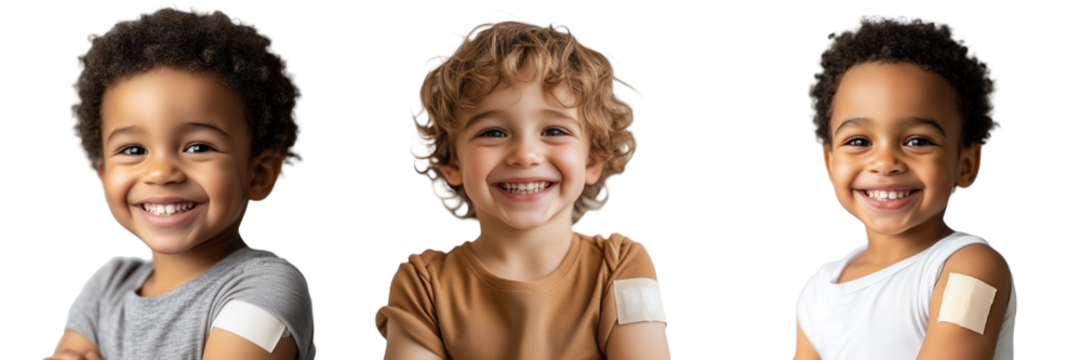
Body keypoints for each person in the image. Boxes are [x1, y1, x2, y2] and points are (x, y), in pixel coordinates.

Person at [373, 10, 671, 360]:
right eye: (493, 132)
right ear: (453, 162)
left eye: (554, 131)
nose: (525, 155)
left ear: (593, 159)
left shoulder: (621, 266)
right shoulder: (423, 284)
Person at [50, 3, 315, 360]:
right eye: (133, 149)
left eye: (198, 147)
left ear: (258, 174)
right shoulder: (104, 288)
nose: (161, 173)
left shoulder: (268, 286)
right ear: (103, 172)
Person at [793, 9, 1017, 360]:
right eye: (859, 141)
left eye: (917, 141)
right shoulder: (818, 291)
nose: (885, 163)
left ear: (966, 164)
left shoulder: (970, 266)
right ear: (830, 164)